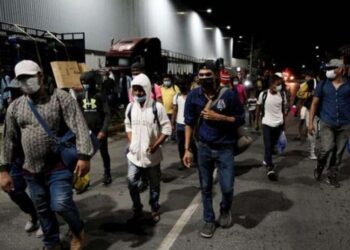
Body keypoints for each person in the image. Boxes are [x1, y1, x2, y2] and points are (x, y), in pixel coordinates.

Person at [0, 60, 93, 250]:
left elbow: (80, 126)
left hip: (58, 167)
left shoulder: (61, 98)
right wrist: (4, 170)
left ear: (40, 76)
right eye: (22, 79)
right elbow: (8, 140)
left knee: (60, 204)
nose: (26, 82)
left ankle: (78, 230)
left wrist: (84, 156)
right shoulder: (15, 107)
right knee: (42, 209)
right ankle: (51, 242)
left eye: (29, 77)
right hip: (31, 170)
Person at [183, 62, 244, 238]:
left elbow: (240, 119)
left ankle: (225, 210)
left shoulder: (229, 95)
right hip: (203, 148)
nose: (204, 78)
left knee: (227, 187)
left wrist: (220, 117)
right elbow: (188, 122)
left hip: (226, 148)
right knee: (205, 187)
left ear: (216, 75)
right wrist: (187, 149)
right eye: (201, 75)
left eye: (207, 74)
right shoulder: (193, 96)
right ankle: (209, 220)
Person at [125, 73, 171, 223]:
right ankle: (137, 208)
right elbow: (128, 125)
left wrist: (156, 145)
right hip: (134, 156)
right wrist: (131, 142)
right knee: (131, 181)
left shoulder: (157, 108)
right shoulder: (130, 107)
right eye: (135, 90)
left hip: (152, 156)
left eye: (141, 90)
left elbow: (167, 128)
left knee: (154, 185)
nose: (138, 93)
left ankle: (154, 208)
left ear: (148, 89)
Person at [0, 79, 43, 237]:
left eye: (15, 91)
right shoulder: (11, 108)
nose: (11, 94)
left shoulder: (36, 105)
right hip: (17, 159)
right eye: (10, 91)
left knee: (39, 192)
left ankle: (46, 222)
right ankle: (34, 215)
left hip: (36, 156)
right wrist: (3, 168)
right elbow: (7, 140)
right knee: (14, 190)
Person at [308, 58, 350, 188]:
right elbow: (314, 103)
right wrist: (310, 123)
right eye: (327, 69)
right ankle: (320, 166)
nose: (328, 71)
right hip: (327, 122)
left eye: (331, 68)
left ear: (340, 70)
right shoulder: (322, 85)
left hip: (345, 124)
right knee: (326, 149)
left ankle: (332, 175)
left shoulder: (348, 85)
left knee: (338, 153)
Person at [77, 71, 112, 185]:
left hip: (99, 131)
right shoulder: (81, 96)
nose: (85, 85)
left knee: (104, 153)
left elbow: (107, 114)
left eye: (86, 83)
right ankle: (84, 181)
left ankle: (107, 173)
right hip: (86, 132)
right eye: (82, 83)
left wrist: (103, 130)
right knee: (84, 156)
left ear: (91, 82)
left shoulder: (100, 95)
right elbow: (78, 114)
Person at [255, 74, 288, 181]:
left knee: (273, 145)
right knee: (268, 145)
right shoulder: (263, 94)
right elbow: (258, 108)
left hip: (278, 124)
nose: (279, 86)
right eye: (277, 84)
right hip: (267, 124)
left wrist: (283, 125)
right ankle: (270, 167)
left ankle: (266, 158)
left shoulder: (282, 95)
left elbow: (283, 110)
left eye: (280, 84)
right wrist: (256, 122)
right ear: (271, 84)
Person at [171, 76, 197, 170]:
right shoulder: (176, 97)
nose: (182, 86)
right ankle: (182, 161)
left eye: (184, 84)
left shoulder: (192, 96)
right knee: (180, 144)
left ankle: (196, 160)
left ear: (188, 85)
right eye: (180, 85)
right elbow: (174, 110)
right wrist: (172, 124)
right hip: (179, 124)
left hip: (190, 124)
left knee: (192, 143)